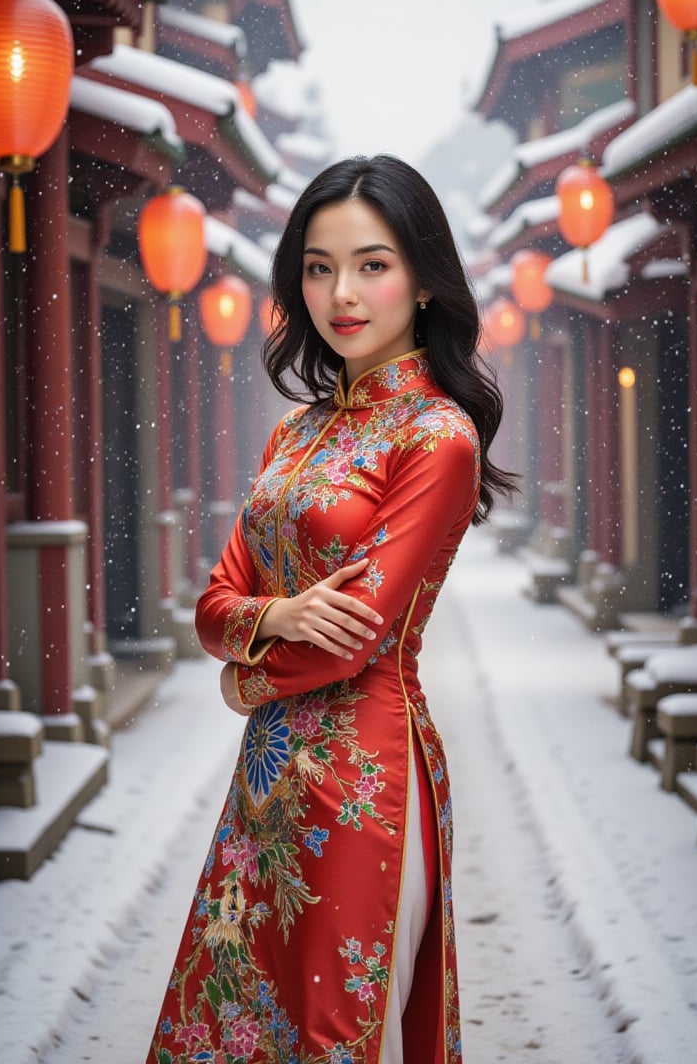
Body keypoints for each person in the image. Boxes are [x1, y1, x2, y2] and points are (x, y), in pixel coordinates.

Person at [146, 154, 512, 1064]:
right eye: (318, 266)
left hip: (365, 778)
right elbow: (213, 602)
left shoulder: (439, 439)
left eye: (371, 264)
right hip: (266, 779)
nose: (341, 292)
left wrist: (240, 680)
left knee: (335, 1034)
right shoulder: (297, 431)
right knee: (234, 1021)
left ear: (425, 280)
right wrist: (269, 621)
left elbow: (350, 642)